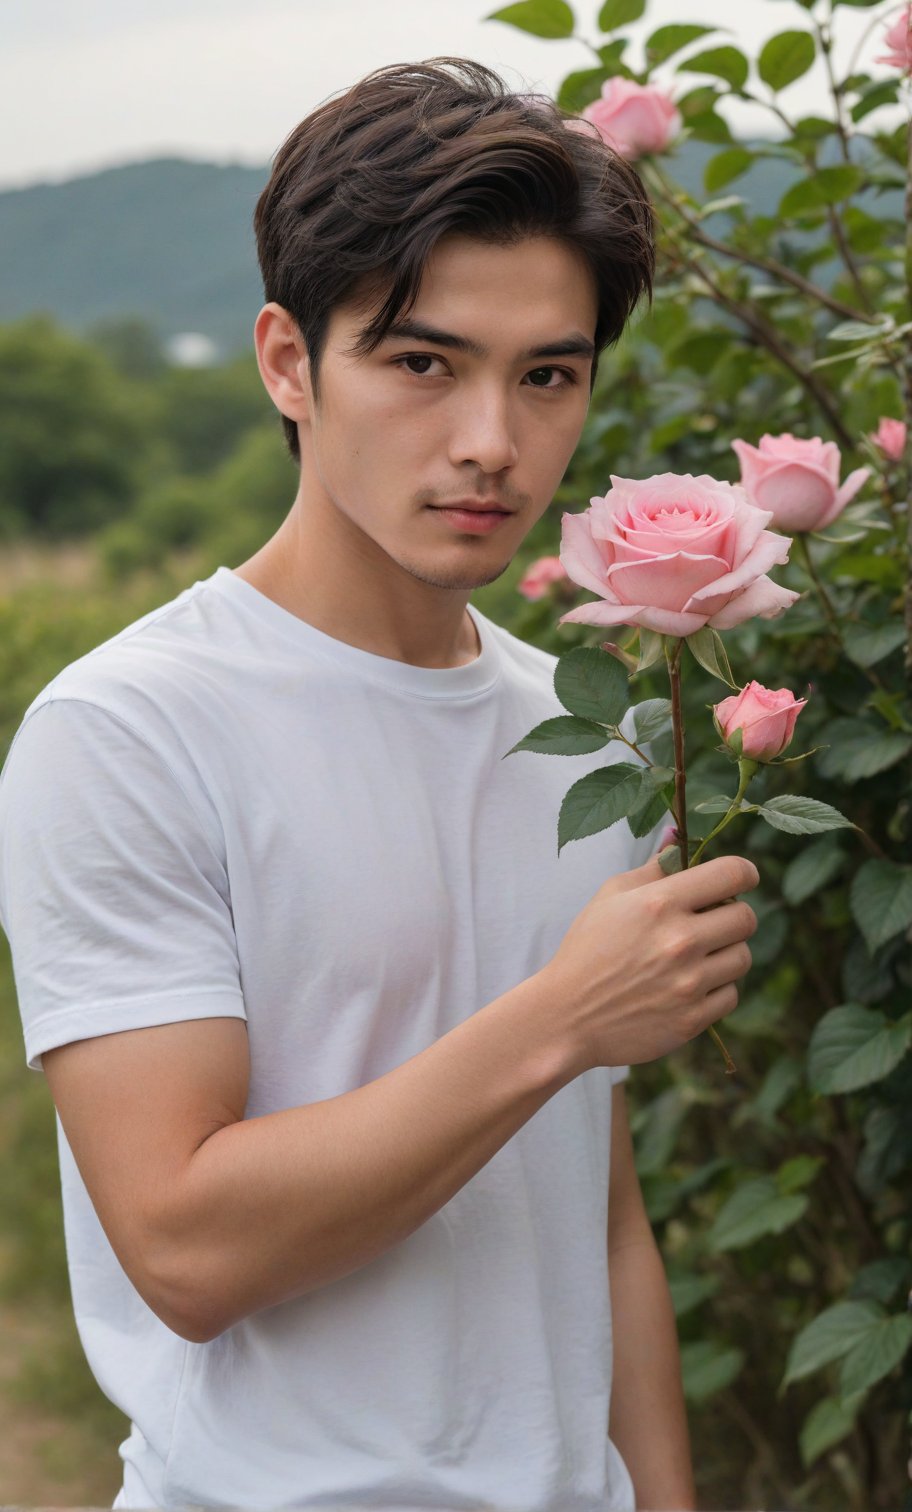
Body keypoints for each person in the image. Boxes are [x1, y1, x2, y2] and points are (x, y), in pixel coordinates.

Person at [0, 59, 759, 1512]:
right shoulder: (129, 730)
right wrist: (562, 1018)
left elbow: (596, 1223)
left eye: (548, 374)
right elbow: (186, 1248)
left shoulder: (593, 736)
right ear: (289, 361)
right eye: (424, 362)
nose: (492, 441)